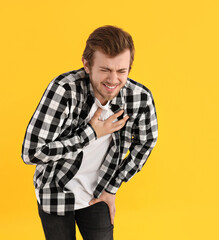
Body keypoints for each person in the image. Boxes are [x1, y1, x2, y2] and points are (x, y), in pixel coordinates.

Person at [21, 25, 158, 240]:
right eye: (105, 70)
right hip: (55, 192)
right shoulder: (64, 91)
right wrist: (91, 134)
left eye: (121, 71)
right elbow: (31, 153)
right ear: (86, 64)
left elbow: (146, 142)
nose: (113, 80)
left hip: (98, 194)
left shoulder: (139, 98)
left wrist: (112, 187)